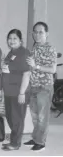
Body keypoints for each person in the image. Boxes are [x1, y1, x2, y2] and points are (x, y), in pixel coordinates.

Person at [25, 22, 57, 152]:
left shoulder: (50, 49)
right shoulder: (35, 47)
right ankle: (35, 138)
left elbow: (52, 69)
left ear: (46, 34)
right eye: (35, 32)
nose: (37, 35)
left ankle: (41, 142)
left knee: (43, 116)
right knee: (35, 116)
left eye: (40, 32)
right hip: (33, 86)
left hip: (44, 87)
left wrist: (35, 66)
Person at [1, 29, 31, 151]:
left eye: (15, 38)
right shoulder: (11, 53)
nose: (11, 40)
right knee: (9, 116)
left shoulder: (24, 53)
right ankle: (15, 138)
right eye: (10, 38)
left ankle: (15, 143)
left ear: (20, 40)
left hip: (18, 92)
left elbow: (27, 73)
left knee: (17, 118)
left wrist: (22, 92)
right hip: (9, 92)